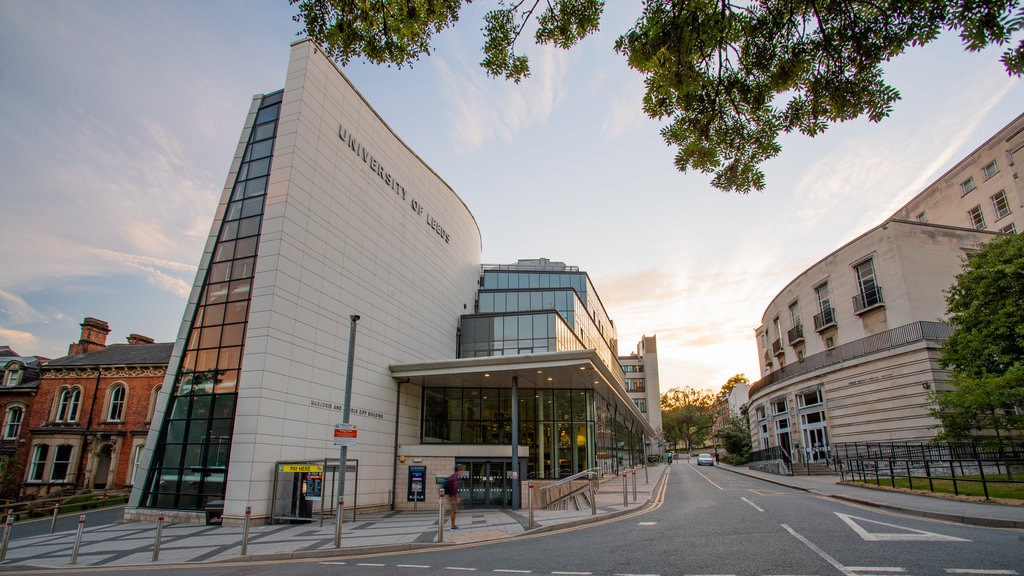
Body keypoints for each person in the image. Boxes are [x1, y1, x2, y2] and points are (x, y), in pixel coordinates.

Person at [445, 464, 465, 530]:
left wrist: (457, 496)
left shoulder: (455, 477)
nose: (463, 471)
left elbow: (455, 488)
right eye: (462, 470)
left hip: (452, 496)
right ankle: (453, 526)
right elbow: (453, 488)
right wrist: (453, 498)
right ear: (458, 470)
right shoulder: (454, 477)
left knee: (454, 511)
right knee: (454, 511)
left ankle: (453, 525)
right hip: (452, 496)